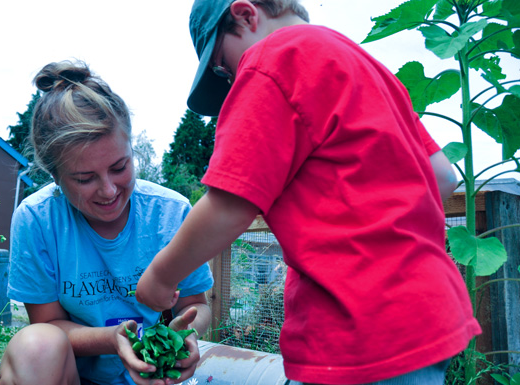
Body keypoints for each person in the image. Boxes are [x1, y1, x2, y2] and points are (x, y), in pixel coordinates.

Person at [135, 1, 482, 384]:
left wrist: (160, 277)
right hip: (427, 312)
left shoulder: (273, 60)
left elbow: (230, 204)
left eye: (222, 66)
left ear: (246, 15)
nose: (231, 79)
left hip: (356, 325)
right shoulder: (365, 66)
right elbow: (441, 175)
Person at [0, 60, 213, 385]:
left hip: (156, 378)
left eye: (119, 167)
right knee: (35, 345)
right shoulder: (37, 219)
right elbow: (48, 324)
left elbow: (196, 305)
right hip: (74, 378)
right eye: (85, 178)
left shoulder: (171, 213)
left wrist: (186, 335)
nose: (109, 190)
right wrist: (114, 338)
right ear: (55, 177)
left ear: (131, 147)